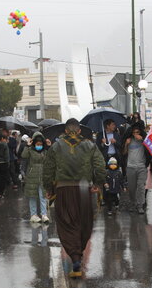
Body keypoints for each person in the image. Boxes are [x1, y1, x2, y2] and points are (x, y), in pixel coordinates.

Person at [43, 118, 106, 278]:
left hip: (63, 189)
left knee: (66, 223)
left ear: (65, 131)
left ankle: (75, 257)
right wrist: (98, 183)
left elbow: (48, 168)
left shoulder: (56, 147)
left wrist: (49, 188)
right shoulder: (90, 145)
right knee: (84, 221)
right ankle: (79, 252)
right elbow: (100, 165)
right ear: (79, 131)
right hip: (84, 188)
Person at [123, 125, 151, 214]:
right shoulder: (129, 140)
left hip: (141, 167)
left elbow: (150, 149)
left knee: (141, 187)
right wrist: (126, 144)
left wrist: (143, 140)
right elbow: (123, 153)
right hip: (130, 167)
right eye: (134, 132)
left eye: (137, 132)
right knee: (131, 188)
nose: (135, 134)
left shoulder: (144, 140)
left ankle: (140, 205)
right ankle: (133, 203)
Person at [22, 132, 49, 223]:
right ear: (34, 143)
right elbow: (23, 156)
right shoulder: (29, 150)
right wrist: (27, 146)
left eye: (41, 144)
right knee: (32, 196)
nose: (39, 146)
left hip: (42, 176)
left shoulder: (45, 151)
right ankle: (33, 215)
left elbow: (51, 158)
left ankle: (44, 214)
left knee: (43, 196)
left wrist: (49, 147)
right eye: (37, 144)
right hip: (31, 177)